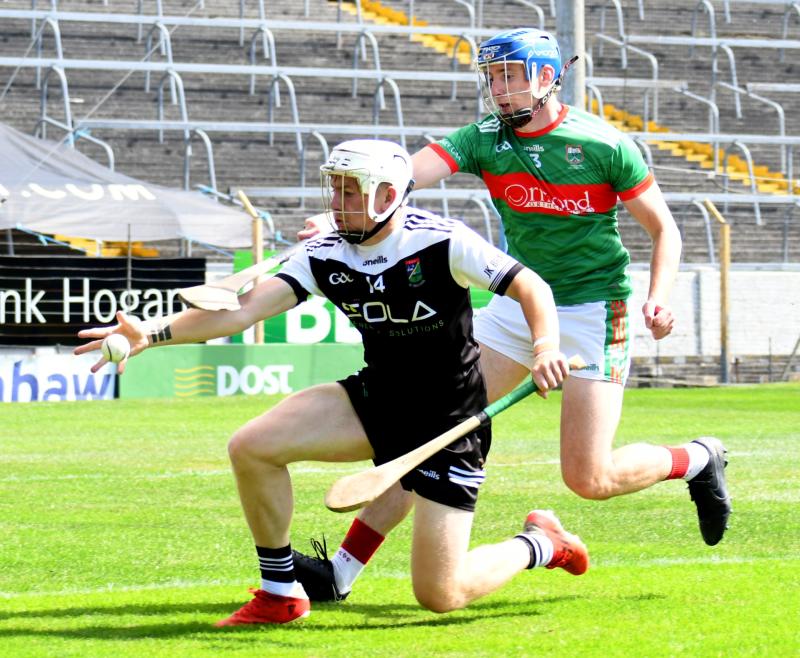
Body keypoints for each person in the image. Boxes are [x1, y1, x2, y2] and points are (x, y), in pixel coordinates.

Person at [292, 28, 731, 604]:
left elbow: (663, 228)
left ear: (547, 78)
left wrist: (660, 296)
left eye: (510, 76)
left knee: (588, 478)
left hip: (596, 310)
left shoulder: (602, 145)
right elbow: (398, 178)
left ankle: (698, 458)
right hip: (516, 305)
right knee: (437, 432)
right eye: (492, 77)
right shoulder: (484, 139)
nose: (498, 90)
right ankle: (342, 571)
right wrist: (348, 212)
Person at [75, 139, 588, 626]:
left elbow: (530, 285)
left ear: (388, 195)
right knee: (252, 446)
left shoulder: (441, 241)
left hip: (446, 424)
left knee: (440, 594)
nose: (337, 203)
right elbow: (240, 312)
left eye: (350, 190)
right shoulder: (324, 254)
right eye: (335, 188)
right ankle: (280, 593)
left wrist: (544, 347)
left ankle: (538, 543)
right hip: (375, 398)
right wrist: (150, 333)